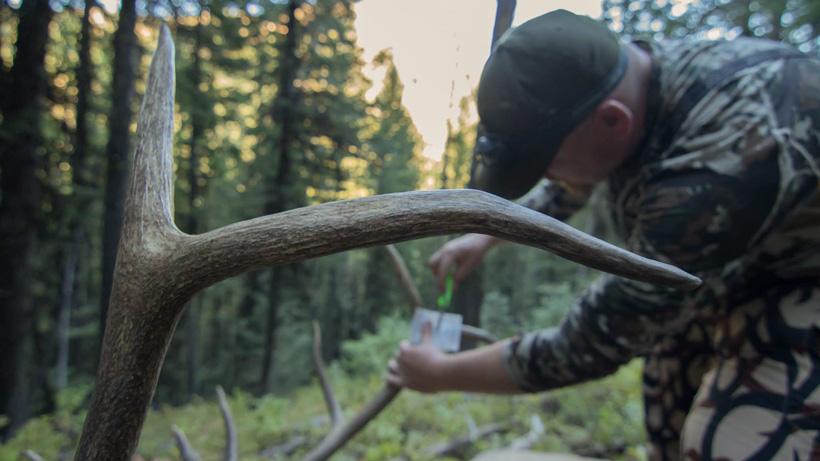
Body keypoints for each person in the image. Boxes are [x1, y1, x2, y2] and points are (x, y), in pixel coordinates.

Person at [386, 9, 820, 460]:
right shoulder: (634, 82)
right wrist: (486, 235)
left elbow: (595, 339)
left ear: (614, 122)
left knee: (735, 440)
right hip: (741, 270)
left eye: (548, 163)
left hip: (798, 280)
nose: (549, 178)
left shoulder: (719, 159)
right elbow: (573, 180)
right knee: (667, 384)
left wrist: (440, 373)